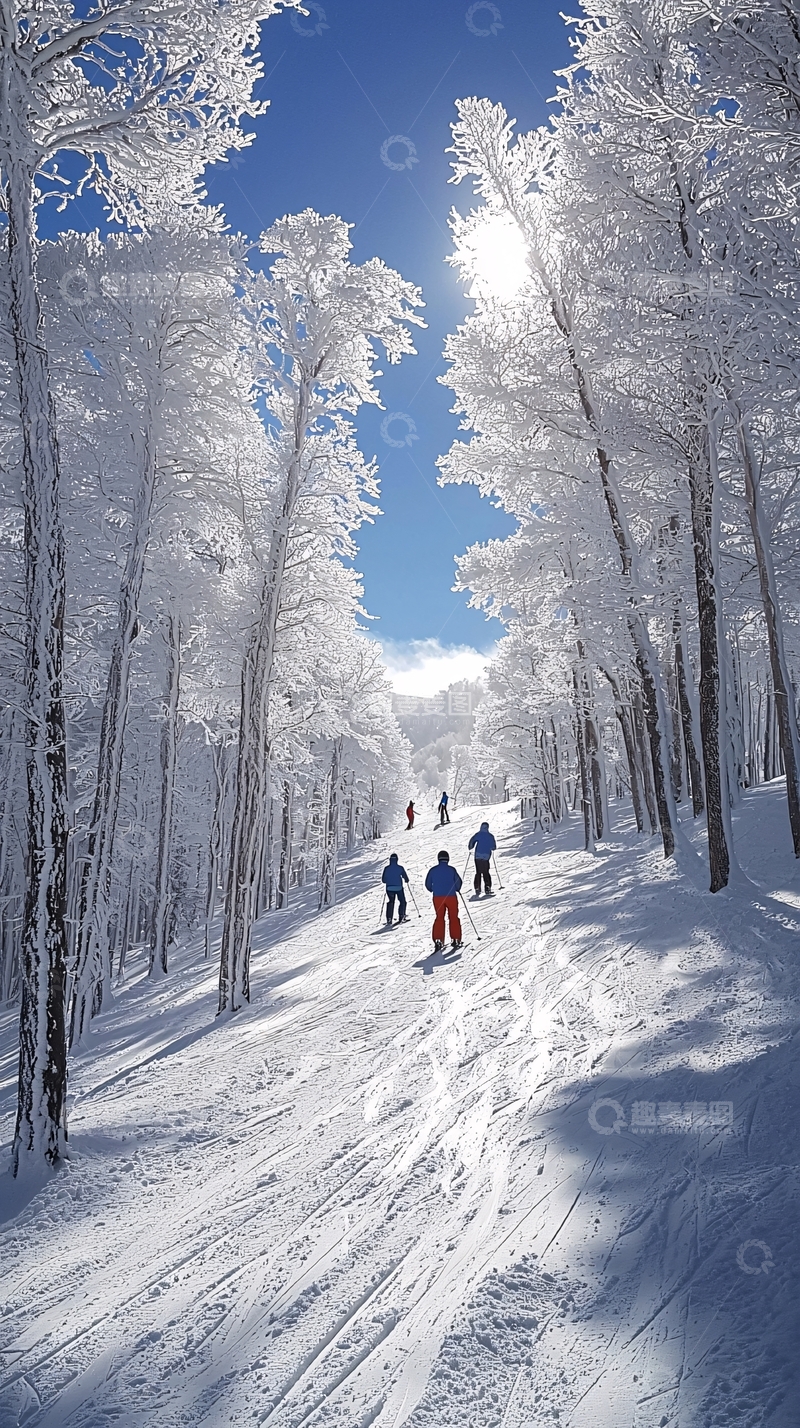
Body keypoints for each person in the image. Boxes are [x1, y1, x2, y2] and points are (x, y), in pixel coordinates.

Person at [424, 850, 462, 951]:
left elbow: (428, 884)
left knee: (439, 917)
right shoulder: (452, 870)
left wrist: (433, 890)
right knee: (453, 917)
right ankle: (456, 939)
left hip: (438, 898)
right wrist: (457, 889)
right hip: (451, 897)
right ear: (448, 859)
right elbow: (458, 882)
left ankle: (438, 939)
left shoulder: (433, 870)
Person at [468, 820, 497, 895]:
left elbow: (472, 841)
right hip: (486, 856)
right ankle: (487, 888)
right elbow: (493, 847)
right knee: (485, 872)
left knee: (478, 871)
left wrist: (470, 847)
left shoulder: (478, 834)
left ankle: (477, 888)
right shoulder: (490, 836)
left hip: (477, 856)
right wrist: (491, 847)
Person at [381, 853, 409, 924]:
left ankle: (389, 919)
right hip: (398, 887)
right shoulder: (400, 868)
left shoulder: (386, 868)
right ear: (397, 860)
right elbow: (406, 878)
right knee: (402, 901)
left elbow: (383, 880)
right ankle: (401, 916)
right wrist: (406, 880)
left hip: (389, 888)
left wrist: (388, 880)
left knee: (391, 902)